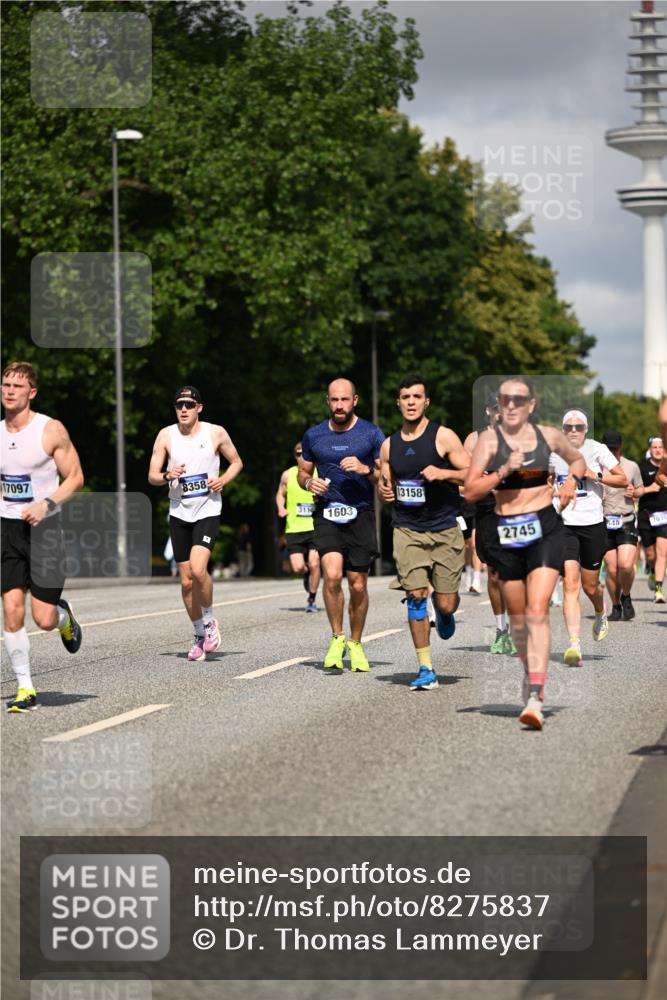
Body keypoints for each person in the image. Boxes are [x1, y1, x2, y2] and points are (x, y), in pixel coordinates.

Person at [465, 376, 585, 730]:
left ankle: (536, 693)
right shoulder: (489, 441)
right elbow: (471, 490)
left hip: (545, 529)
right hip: (507, 533)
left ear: (531, 405)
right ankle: (529, 670)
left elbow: (577, 461)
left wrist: (569, 483)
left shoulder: (549, 436)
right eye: (506, 399)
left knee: (537, 609)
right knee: (518, 619)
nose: (512, 406)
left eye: (520, 399)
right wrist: (504, 470)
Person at [1, 361, 84, 713]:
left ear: (31, 392)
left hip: (45, 529)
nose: (9, 391)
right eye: (5, 384)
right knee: (11, 609)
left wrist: (46, 504)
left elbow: (75, 477)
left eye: (17, 386)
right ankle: (25, 688)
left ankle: (64, 617)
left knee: (44, 619)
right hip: (7, 529)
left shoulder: (50, 430)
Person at [378, 374, 469, 690]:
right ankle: (426, 668)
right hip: (407, 529)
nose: (411, 402)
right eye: (406, 397)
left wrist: (443, 473)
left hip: (444, 528)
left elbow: (471, 474)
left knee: (445, 603)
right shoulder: (389, 446)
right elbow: (385, 485)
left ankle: (444, 614)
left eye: (417, 397)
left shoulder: (444, 437)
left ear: (426, 401)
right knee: (415, 595)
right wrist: (384, 492)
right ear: (398, 402)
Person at [148, 385, 243, 661]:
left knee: (199, 570)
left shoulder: (215, 433)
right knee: (187, 582)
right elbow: (152, 475)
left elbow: (237, 462)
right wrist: (167, 475)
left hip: (207, 510)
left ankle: (210, 621)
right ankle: (199, 634)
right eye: (179, 405)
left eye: (189, 405)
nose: (183, 409)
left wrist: (223, 480)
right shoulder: (166, 435)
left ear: (199, 408)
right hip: (179, 512)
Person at [298, 378, 384, 672]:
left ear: (355, 400)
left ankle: (356, 643)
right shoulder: (314, 435)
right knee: (332, 576)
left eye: (344, 400)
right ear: (327, 401)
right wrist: (309, 483)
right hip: (327, 512)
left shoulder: (371, 433)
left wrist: (365, 469)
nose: (339, 405)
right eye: (334, 400)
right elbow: (303, 473)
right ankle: (337, 637)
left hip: (361, 514)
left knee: (358, 584)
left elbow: (385, 476)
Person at [551, 410, 626, 667]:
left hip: (592, 525)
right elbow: (545, 479)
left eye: (578, 427)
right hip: (564, 525)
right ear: (563, 429)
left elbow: (622, 478)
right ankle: (574, 645)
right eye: (568, 427)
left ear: (585, 429)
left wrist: (596, 476)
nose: (573, 431)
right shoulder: (554, 452)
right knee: (570, 585)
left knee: (590, 586)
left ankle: (599, 610)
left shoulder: (597, 449)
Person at [463, 393, 516, 654]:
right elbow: (463, 475)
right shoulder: (474, 440)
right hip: (486, 512)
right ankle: (501, 630)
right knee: (494, 572)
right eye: (496, 408)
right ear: (488, 411)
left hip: (516, 511)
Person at [600, 430, 642, 621]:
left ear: (621, 447)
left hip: (625, 520)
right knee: (611, 569)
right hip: (604, 521)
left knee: (625, 565)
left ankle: (626, 595)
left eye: (615, 449)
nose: (613, 452)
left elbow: (641, 489)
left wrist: (635, 492)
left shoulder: (631, 466)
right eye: (609, 449)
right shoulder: (595, 467)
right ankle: (616, 606)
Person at [275, 442, 320, 611]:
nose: (301, 457)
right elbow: (280, 494)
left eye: (304, 453)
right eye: (298, 454)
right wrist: (281, 507)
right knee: (298, 567)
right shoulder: (288, 474)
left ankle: (312, 599)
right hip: (294, 528)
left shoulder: (318, 472)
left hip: (315, 527)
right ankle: (307, 574)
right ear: (294, 456)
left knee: (314, 563)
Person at [635, 436, 667, 603]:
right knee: (650, 553)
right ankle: (653, 572)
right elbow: (634, 491)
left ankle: (659, 591)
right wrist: (649, 489)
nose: (658, 450)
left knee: (662, 551)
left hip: (664, 515)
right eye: (655, 447)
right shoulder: (642, 467)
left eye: (661, 447)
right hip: (646, 515)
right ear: (650, 450)